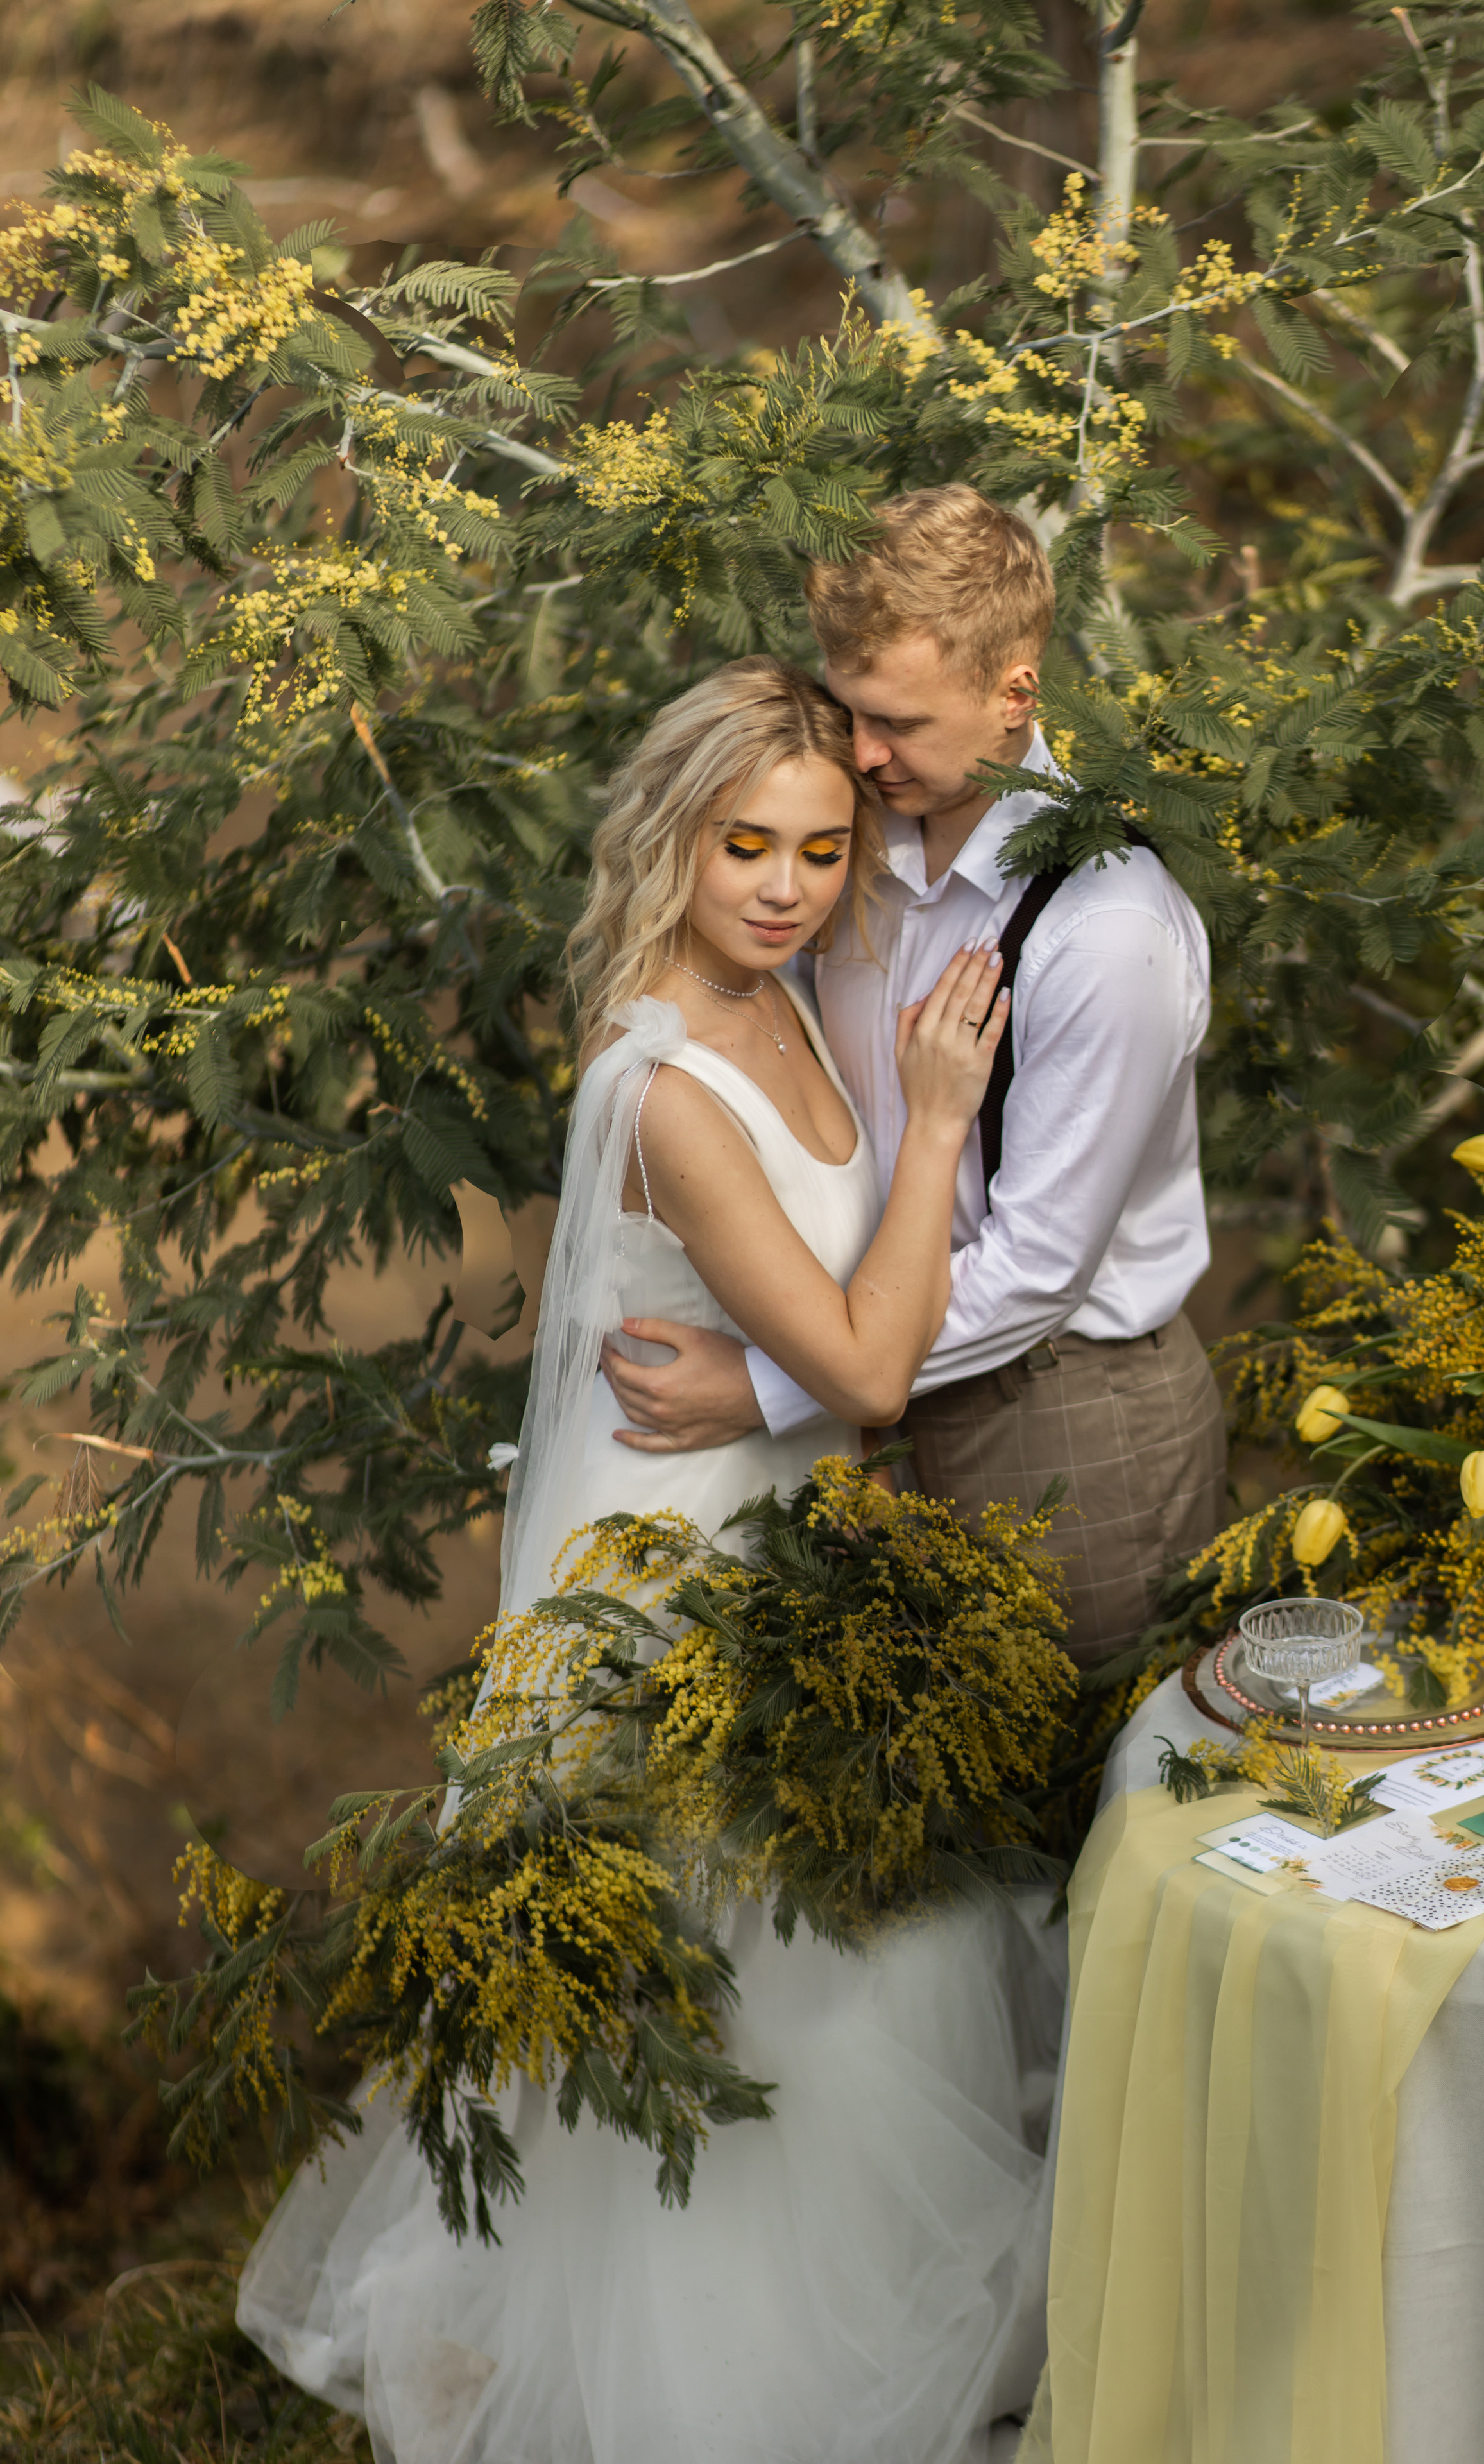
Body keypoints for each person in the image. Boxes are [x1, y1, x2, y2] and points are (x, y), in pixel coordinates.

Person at [236, 654, 1066, 2464]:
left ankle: (861, 2308)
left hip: (787, 1541)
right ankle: (715, 2386)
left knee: (852, 1970)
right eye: (744, 846)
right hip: (676, 1590)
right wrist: (932, 1129)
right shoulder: (673, 1084)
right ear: (673, 842)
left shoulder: (809, 985)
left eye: (825, 848)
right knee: (746, 1983)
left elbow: (849, 1355)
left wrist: (796, 1384)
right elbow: (863, 1365)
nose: (785, 885)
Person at [599, 486, 1226, 1667]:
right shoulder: (842, 847)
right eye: (847, 710)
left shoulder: (1105, 929)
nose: (866, 751)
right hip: (864, 1385)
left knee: (1076, 1787)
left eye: (898, 722)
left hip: (1061, 1411)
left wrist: (774, 1389)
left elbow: (1041, 1267)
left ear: (1014, 695)